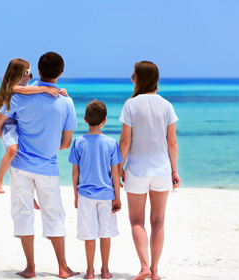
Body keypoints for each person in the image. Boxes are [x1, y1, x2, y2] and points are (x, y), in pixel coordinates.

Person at [0, 51, 78, 279]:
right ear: (60, 73)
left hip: (20, 164)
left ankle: (30, 268)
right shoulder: (67, 102)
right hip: (48, 167)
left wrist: (12, 144)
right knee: (54, 214)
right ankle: (63, 268)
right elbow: (66, 143)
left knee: (23, 213)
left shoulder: (19, 97)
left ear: (38, 72)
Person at [118, 61, 179, 280]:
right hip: (162, 170)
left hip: (136, 170)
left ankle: (143, 266)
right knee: (158, 221)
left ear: (141, 78)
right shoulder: (167, 105)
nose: (131, 78)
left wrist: (118, 166)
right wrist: (175, 170)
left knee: (136, 221)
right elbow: (172, 143)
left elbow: (125, 140)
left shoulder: (131, 105)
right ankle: (154, 271)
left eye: (133, 75)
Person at [0, 59, 68, 195]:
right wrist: (46, 88)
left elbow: (29, 90)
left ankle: (30, 198)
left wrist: (59, 90)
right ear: (20, 74)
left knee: (15, 157)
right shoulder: (13, 88)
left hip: (14, 127)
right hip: (9, 126)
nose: (31, 78)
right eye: (29, 74)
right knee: (12, 150)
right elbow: (25, 90)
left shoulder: (25, 90)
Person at [69, 100, 124, 279]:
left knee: (89, 234)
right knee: (105, 234)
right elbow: (115, 173)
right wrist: (117, 196)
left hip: (85, 195)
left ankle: (90, 271)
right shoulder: (110, 142)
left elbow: (75, 173)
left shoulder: (78, 142)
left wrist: (76, 195)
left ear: (85, 119)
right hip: (107, 194)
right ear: (105, 120)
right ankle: (105, 271)